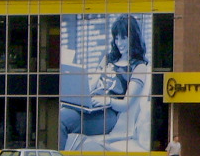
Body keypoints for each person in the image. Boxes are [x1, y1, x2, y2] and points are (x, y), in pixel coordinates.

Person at [59, 14, 151, 149]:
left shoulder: (139, 67)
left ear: (133, 37)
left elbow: (126, 104)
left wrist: (108, 101)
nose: (119, 43)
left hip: (108, 114)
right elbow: (91, 86)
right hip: (92, 106)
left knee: (62, 120)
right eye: (117, 38)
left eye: (124, 38)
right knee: (61, 114)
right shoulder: (108, 58)